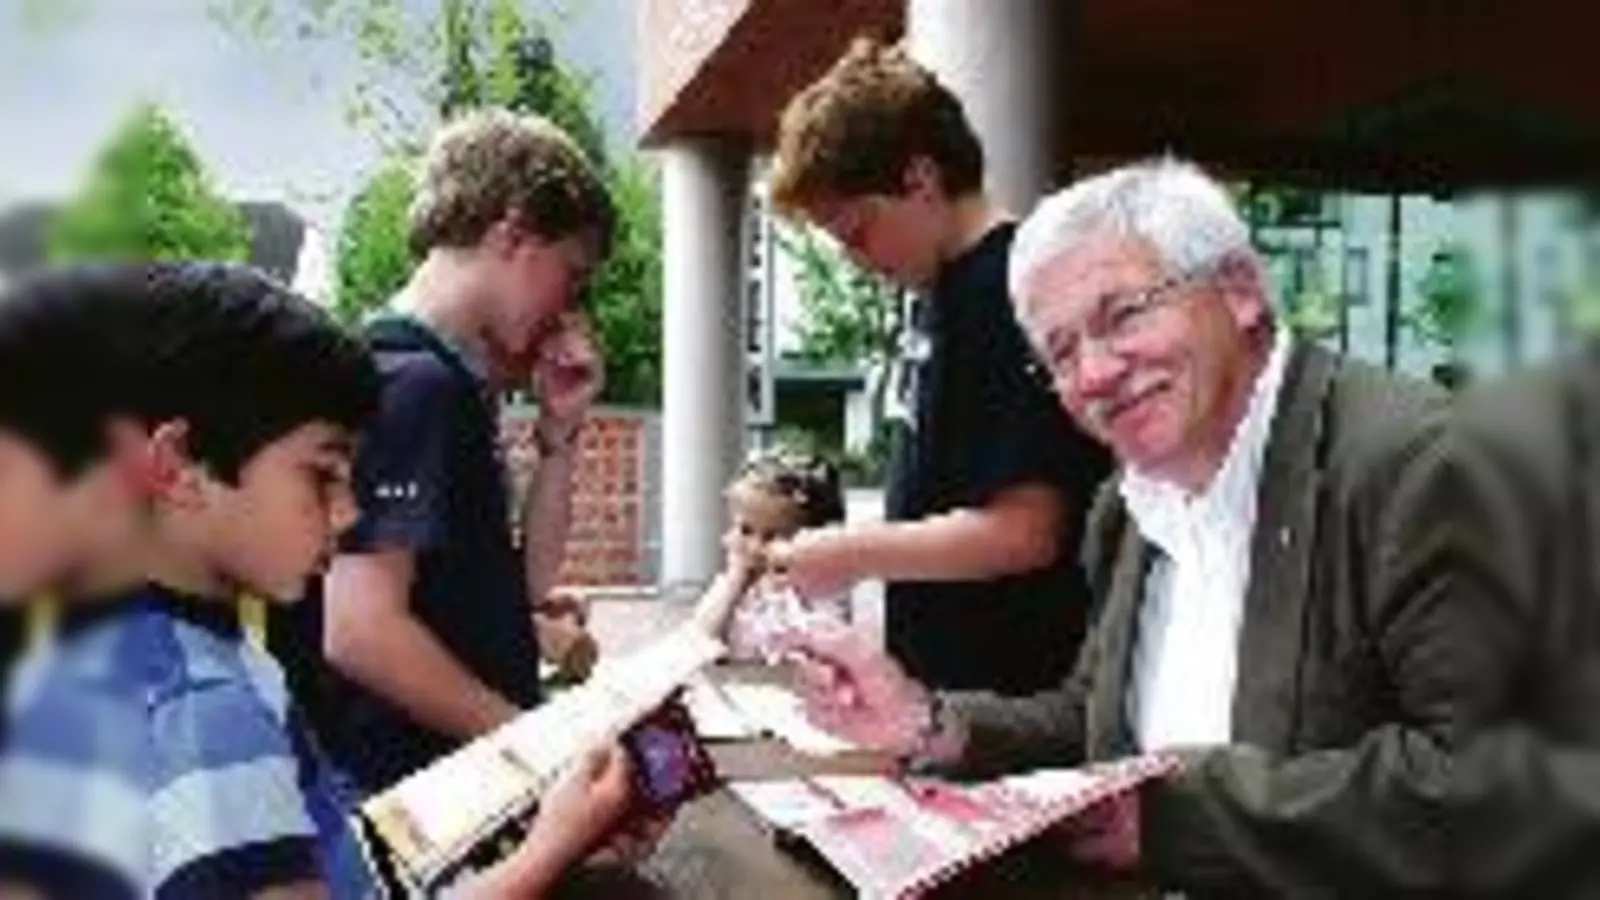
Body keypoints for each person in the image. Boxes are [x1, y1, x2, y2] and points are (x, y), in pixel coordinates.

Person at [779, 159, 1467, 896]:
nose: (1095, 374)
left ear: (1239, 290)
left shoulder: (1424, 465)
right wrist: (928, 722)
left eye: (1123, 315)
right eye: (1062, 352)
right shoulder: (1128, 506)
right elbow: (1099, 727)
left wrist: (1178, 822)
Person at [761, 37, 1113, 695]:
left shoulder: (1012, 290)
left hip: (1015, 699)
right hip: (955, 701)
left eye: (860, 231)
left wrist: (850, 554)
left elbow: (1026, 530)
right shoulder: (940, 290)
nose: (859, 261)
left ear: (920, 179)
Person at [316, 108, 612, 793]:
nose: (571, 308)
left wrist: (559, 435)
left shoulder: (445, 383)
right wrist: (533, 745)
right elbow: (358, 629)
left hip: (433, 772)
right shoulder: (408, 383)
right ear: (514, 233)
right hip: (404, 785)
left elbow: (527, 587)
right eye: (573, 272)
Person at [691, 450, 850, 659]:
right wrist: (735, 585)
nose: (756, 547)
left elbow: (829, 647)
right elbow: (699, 639)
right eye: (746, 531)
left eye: (774, 536)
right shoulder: (734, 585)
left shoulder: (821, 589)